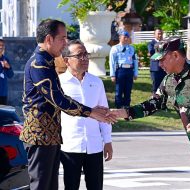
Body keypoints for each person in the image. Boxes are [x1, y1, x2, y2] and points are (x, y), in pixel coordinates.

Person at [112, 36, 190, 189]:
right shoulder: (169, 80)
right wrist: (124, 112)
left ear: (176, 55)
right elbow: (154, 103)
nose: (160, 64)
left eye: (162, 59)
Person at [19, 19, 116, 190]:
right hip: (40, 136)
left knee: (50, 186)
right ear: (49, 39)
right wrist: (91, 112)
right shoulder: (39, 63)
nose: (65, 43)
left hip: (50, 137)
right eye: (62, 39)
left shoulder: (47, 62)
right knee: (41, 185)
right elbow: (59, 99)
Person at [59, 39, 113, 190]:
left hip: (94, 145)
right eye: (79, 55)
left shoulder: (96, 82)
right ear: (66, 60)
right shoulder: (59, 84)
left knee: (95, 186)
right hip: (70, 146)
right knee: (71, 186)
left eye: (86, 55)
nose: (84, 59)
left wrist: (107, 140)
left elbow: (104, 114)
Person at [109, 29, 138, 108]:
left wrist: (135, 73)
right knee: (119, 91)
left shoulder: (132, 48)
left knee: (128, 90)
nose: (126, 38)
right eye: (124, 37)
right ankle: (118, 108)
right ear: (120, 37)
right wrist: (112, 75)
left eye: (127, 37)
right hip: (120, 70)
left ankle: (126, 108)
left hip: (129, 71)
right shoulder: (115, 48)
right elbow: (111, 62)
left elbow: (135, 61)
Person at [147, 28, 166, 96]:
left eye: (161, 33)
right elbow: (152, 53)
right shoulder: (151, 43)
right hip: (155, 68)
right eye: (158, 33)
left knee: (164, 86)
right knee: (156, 86)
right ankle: (154, 100)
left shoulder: (165, 43)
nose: (160, 35)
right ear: (154, 34)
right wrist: (162, 54)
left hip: (164, 68)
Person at [0, 39, 14, 105]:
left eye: (2, 45)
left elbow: (11, 75)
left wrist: (8, 67)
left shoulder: (6, 59)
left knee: (3, 113)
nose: (1, 47)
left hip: (3, 93)